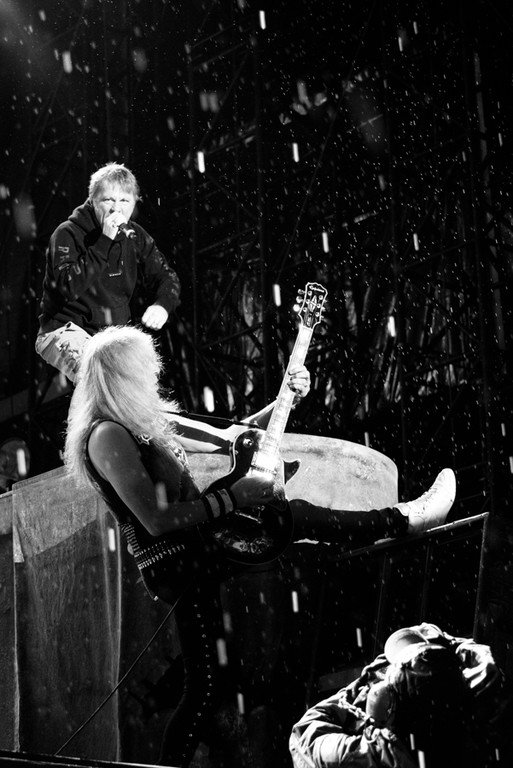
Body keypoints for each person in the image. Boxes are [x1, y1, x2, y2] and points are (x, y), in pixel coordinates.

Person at [63, 325, 457, 767]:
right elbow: (155, 519)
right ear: (120, 375)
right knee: (289, 519)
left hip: (197, 548)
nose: (154, 373)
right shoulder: (107, 435)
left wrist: (286, 398)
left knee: (208, 686)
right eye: (144, 367)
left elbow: (239, 433)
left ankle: (196, 747)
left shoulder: (149, 423)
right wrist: (234, 498)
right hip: (175, 559)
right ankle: (402, 519)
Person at [289, 622, 513, 768]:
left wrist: (360, 686)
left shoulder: (370, 756)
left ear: (385, 705)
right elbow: (488, 674)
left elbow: (304, 733)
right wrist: (446, 650)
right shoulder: (475, 735)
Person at [35, 162, 180, 383]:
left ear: (134, 203)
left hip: (110, 335)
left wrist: (163, 304)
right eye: (108, 200)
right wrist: (104, 241)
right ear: (92, 201)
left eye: (124, 201)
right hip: (63, 329)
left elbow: (167, 276)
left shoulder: (135, 236)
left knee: (140, 385)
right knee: (98, 377)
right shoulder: (67, 233)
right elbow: (67, 287)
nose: (116, 209)